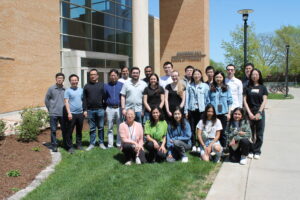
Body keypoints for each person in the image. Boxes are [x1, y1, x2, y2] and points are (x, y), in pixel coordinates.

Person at [243, 68, 268, 160]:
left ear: (259, 76)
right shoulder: (247, 87)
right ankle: (250, 150)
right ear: (250, 76)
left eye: (256, 74)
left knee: (259, 133)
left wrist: (259, 112)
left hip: (260, 112)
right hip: (249, 112)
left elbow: (265, 100)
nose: (254, 76)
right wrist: (249, 113)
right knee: (249, 133)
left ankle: (257, 151)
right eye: (253, 74)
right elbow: (244, 100)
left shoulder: (263, 87)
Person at [184, 69, 209, 153]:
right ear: (193, 76)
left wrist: (207, 110)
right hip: (192, 110)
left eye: (198, 74)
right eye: (195, 74)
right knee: (192, 128)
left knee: (201, 128)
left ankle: (200, 144)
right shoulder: (189, 86)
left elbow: (207, 99)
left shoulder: (205, 86)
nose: (196, 76)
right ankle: (194, 144)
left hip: (202, 110)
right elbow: (187, 99)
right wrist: (186, 111)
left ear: (201, 75)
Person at [207, 71, 233, 149]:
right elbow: (208, 101)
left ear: (223, 78)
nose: (219, 79)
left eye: (220, 77)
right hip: (213, 114)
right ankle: (214, 147)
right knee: (213, 131)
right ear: (214, 78)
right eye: (217, 77)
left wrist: (229, 113)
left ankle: (224, 147)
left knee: (223, 131)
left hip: (223, 113)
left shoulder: (227, 88)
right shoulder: (211, 87)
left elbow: (230, 101)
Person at [83, 69, 106, 151]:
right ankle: (92, 143)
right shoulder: (86, 86)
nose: (92, 76)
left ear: (97, 75)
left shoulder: (102, 85)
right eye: (91, 74)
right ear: (90, 76)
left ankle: (101, 143)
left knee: (101, 127)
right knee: (92, 128)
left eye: (94, 74)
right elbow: (84, 99)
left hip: (100, 110)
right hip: (90, 110)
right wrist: (85, 110)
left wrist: (104, 108)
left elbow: (105, 97)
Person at [45, 73, 66, 152]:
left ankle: (65, 143)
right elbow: (46, 100)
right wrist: (50, 109)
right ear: (56, 79)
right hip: (53, 113)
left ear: (63, 79)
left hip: (63, 113)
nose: (59, 79)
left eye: (61, 78)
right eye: (58, 78)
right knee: (53, 130)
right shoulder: (51, 89)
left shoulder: (65, 89)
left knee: (64, 129)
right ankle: (54, 145)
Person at [64, 74, 84, 154]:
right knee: (70, 131)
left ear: (78, 81)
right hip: (71, 114)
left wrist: (84, 111)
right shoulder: (67, 91)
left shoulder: (81, 90)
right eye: (73, 80)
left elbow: (83, 100)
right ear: (70, 81)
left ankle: (78, 145)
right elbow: (66, 102)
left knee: (79, 130)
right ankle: (70, 147)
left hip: (80, 114)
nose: (74, 82)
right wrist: (69, 113)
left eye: (76, 80)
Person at [104, 69, 123, 148]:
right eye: (111, 75)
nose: (113, 77)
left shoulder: (121, 85)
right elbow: (104, 97)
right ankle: (110, 144)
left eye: (114, 75)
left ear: (118, 76)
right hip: (109, 108)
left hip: (119, 108)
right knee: (110, 127)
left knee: (120, 126)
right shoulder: (106, 85)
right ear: (109, 76)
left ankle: (119, 143)